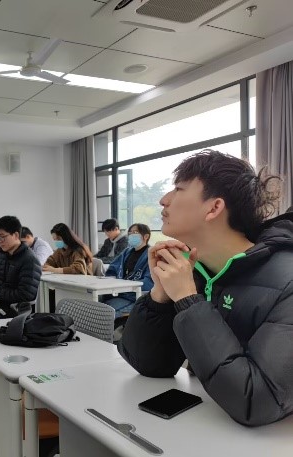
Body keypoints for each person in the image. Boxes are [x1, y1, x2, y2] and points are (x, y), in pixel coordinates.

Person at [119, 149, 293, 427]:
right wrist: (160, 296)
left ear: (214, 208)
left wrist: (188, 299)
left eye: (179, 189)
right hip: (204, 426)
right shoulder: (197, 270)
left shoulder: (287, 281)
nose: (164, 200)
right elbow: (150, 365)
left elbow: (258, 401)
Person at [0, 216, 42, 319]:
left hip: (15, 311)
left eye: (2, 237)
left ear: (16, 235)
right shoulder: (4, 255)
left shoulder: (29, 260)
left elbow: (26, 295)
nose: (0, 241)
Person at [103, 223, 154, 318]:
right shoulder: (127, 252)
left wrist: (124, 287)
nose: (131, 235)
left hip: (135, 297)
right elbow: (113, 268)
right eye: (130, 233)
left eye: (135, 232)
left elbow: (149, 282)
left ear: (146, 236)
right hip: (118, 293)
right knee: (96, 302)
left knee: (105, 313)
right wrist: (111, 282)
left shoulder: (152, 256)